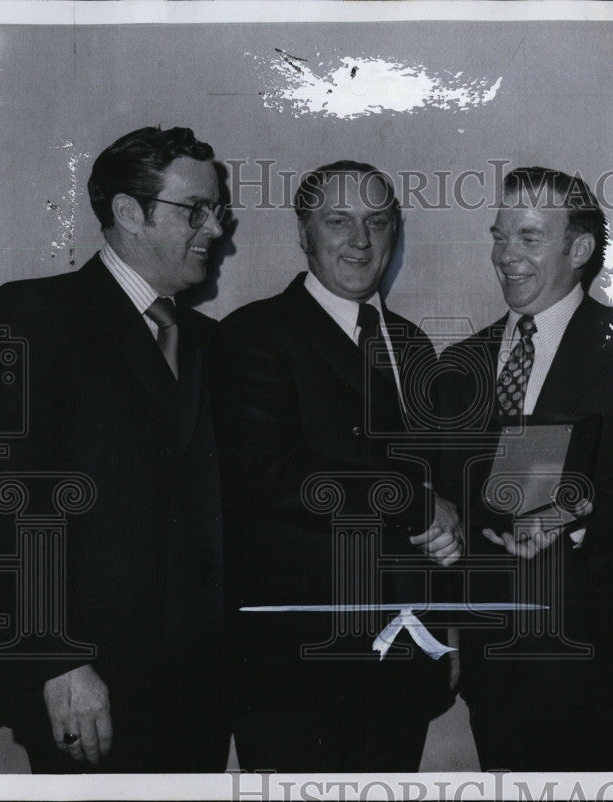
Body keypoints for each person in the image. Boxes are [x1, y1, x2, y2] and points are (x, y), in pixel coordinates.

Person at [0, 125, 231, 772]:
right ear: (127, 212)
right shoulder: (36, 313)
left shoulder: (209, 341)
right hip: (84, 687)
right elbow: (15, 501)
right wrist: (57, 660)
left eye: (218, 210)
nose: (215, 228)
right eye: (194, 210)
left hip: (197, 693)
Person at [436, 166, 613, 770]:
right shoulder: (461, 364)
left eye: (528, 238)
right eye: (500, 237)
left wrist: (577, 512)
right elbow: (455, 510)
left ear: (579, 250)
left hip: (611, 669)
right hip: (496, 670)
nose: (506, 256)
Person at [212, 161, 462, 772]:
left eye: (377, 221)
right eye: (338, 221)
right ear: (304, 233)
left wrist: (447, 630)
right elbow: (268, 473)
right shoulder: (255, 334)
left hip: (404, 657)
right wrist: (412, 497)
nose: (360, 240)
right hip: (299, 668)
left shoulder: (409, 343)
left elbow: (441, 491)